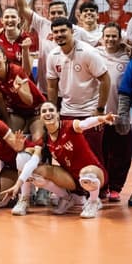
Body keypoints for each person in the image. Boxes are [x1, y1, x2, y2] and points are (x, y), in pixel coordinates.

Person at [4, 102, 115, 219]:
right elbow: (33, 161)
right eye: (44, 111)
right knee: (34, 173)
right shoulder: (45, 139)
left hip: (94, 172)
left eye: (51, 110)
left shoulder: (69, 126)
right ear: (41, 118)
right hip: (72, 180)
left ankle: (93, 202)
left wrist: (102, 118)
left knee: (86, 173)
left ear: (57, 114)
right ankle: (67, 198)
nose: (48, 113)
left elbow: (85, 123)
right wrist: (18, 184)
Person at [46, 16, 110, 165]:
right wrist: (53, 110)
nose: (59, 34)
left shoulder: (88, 52)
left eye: (63, 31)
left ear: (72, 31)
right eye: (56, 32)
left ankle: (100, 181)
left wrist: (100, 110)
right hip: (67, 112)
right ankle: (73, 182)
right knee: (69, 156)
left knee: (93, 156)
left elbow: (105, 80)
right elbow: (52, 86)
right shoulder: (53, 55)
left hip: (90, 112)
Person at [96, 22, 131, 202]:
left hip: (119, 115)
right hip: (99, 116)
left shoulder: (127, 57)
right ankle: (102, 187)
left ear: (120, 38)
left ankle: (115, 187)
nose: (110, 39)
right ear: (102, 38)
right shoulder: (95, 53)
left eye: (114, 36)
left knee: (121, 154)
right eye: (107, 36)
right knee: (99, 153)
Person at [0, 44, 45, 133]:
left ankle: (30, 127)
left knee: (37, 137)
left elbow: (29, 101)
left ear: (4, 58)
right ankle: (25, 128)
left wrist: (19, 90)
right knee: (9, 135)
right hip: (17, 112)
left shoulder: (16, 71)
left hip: (35, 110)